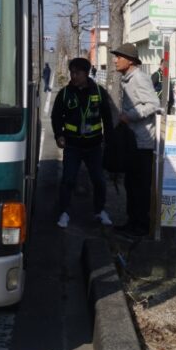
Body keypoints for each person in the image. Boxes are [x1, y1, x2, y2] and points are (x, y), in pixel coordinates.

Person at [51, 57, 114, 228]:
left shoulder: (99, 92)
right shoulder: (64, 94)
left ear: (86, 74)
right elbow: (56, 116)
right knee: (68, 179)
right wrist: (59, 135)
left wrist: (108, 140)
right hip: (72, 146)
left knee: (99, 180)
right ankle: (64, 213)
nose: (73, 76)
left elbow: (107, 117)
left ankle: (100, 211)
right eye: (72, 72)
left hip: (94, 146)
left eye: (77, 73)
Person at [110, 43, 159, 237]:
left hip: (143, 141)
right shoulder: (127, 79)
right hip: (133, 140)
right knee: (131, 184)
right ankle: (132, 222)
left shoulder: (139, 78)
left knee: (139, 186)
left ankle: (141, 226)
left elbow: (153, 104)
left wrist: (130, 115)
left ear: (130, 60)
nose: (115, 60)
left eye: (119, 57)